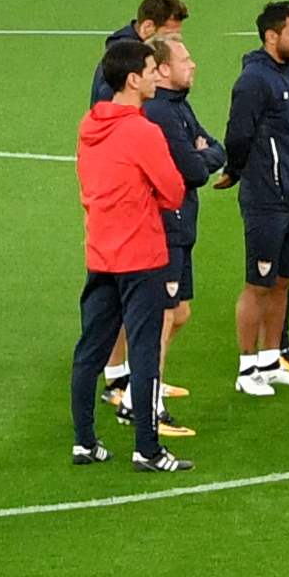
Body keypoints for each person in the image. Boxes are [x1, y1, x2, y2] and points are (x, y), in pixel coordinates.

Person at [70, 38, 190, 472]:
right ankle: (147, 448)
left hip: (101, 251)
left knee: (91, 350)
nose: (159, 75)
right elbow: (174, 189)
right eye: (151, 69)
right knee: (143, 350)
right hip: (140, 254)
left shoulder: (90, 125)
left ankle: (84, 442)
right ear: (133, 79)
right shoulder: (142, 131)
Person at [224, 0, 289, 396]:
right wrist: (237, 171)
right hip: (267, 198)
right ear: (271, 36)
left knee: (283, 280)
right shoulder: (253, 80)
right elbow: (238, 134)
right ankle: (246, 368)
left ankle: (271, 360)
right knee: (258, 283)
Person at [143, 30, 220, 403]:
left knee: (181, 312)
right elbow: (196, 170)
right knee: (164, 315)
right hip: (164, 227)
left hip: (181, 224)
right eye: (184, 60)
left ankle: (143, 383)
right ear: (160, 70)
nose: (193, 65)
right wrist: (199, 155)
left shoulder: (178, 106)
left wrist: (200, 154)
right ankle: (145, 397)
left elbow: (214, 149)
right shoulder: (159, 111)